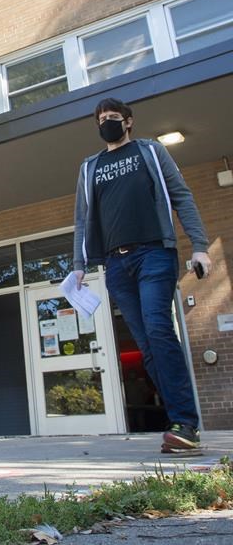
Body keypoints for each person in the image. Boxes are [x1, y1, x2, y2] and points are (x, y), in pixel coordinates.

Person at [72, 97, 211, 453]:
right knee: (146, 345)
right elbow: (82, 221)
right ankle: (182, 422)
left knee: (159, 329)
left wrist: (199, 245)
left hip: (154, 254)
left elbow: (181, 196)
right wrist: (79, 264)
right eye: (102, 118)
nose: (107, 122)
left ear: (129, 121)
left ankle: (186, 423)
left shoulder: (149, 151)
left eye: (113, 117)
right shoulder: (90, 167)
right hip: (116, 265)